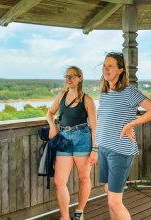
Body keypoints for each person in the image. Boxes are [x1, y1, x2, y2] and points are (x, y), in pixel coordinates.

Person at [96, 52, 151, 220]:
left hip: (120, 151)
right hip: (104, 148)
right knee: (108, 193)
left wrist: (130, 124)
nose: (106, 68)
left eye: (110, 65)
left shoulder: (129, 91)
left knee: (114, 202)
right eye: (104, 65)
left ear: (120, 70)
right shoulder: (105, 93)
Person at [46, 66, 98, 220]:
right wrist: (52, 126)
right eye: (66, 76)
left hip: (82, 138)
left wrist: (95, 149)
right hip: (63, 139)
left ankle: (79, 211)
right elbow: (49, 113)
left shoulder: (87, 99)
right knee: (59, 180)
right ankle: (65, 217)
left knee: (83, 177)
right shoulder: (61, 95)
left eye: (72, 76)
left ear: (80, 78)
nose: (68, 79)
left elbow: (95, 126)